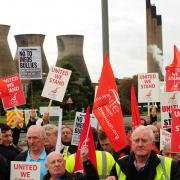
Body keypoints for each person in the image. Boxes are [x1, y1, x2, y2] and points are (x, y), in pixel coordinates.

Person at [107, 125, 180, 180]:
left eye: (144, 140)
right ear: (132, 143)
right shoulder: (120, 164)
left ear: (152, 144)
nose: (140, 144)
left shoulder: (171, 165)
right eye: (136, 140)